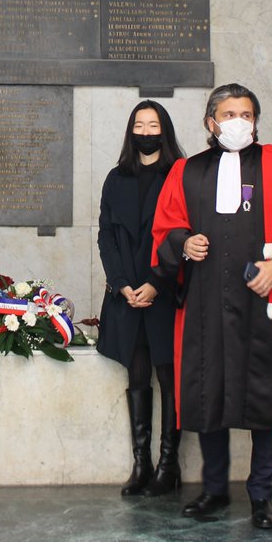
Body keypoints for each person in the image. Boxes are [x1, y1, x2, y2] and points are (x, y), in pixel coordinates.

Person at [151, 83, 272, 529]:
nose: (239, 122)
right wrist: (184, 242)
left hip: (261, 301)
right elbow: (165, 229)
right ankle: (214, 490)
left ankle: (261, 495)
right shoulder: (187, 171)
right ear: (209, 122)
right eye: (229, 113)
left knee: (264, 395)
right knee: (207, 390)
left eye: (247, 114)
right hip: (205, 301)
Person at [97, 100, 186, 497]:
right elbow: (107, 235)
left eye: (153, 125)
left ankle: (169, 465)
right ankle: (141, 464)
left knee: (169, 378)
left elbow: (182, 235)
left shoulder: (180, 176)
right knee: (137, 377)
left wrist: (156, 283)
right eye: (140, 124)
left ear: (164, 131)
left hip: (165, 293)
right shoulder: (116, 178)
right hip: (127, 296)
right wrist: (121, 284)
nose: (146, 132)